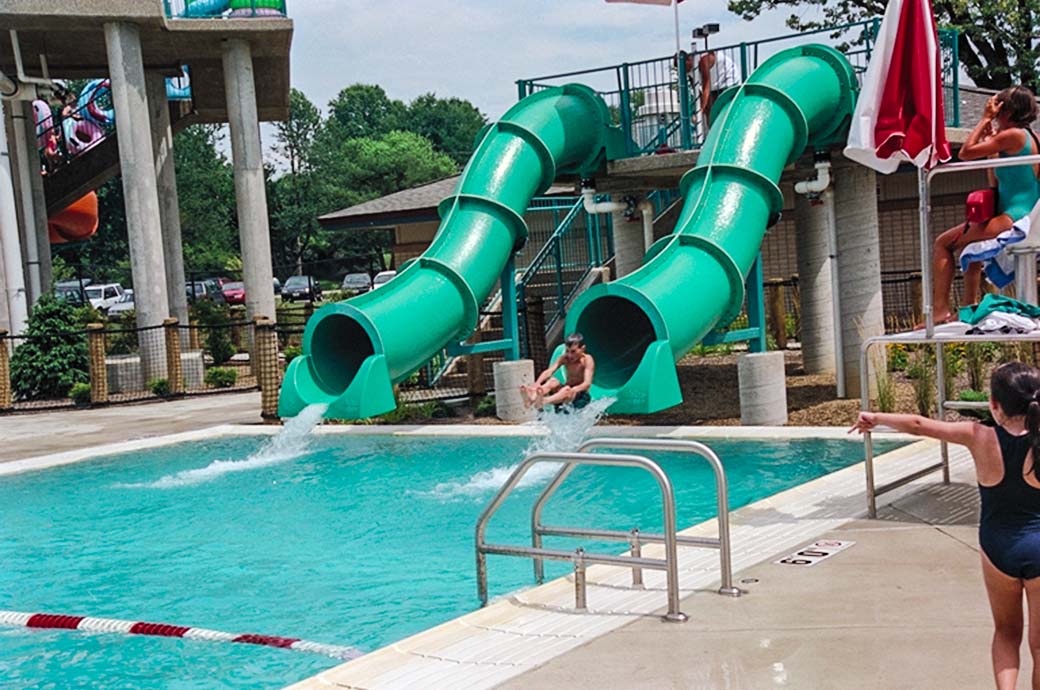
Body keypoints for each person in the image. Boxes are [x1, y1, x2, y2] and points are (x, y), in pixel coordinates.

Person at [850, 361, 1040, 690]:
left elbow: (919, 424)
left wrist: (876, 417)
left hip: (997, 548)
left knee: (1006, 633)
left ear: (994, 404)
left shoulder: (979, 436)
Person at [928, 85, 1040, 326]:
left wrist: (985, 119)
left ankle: (939, 310)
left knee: (943, 243)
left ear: (1007, 112)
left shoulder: (1013, 135)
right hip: (1023, 215)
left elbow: (965, 152)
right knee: (972, 250)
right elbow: (995, 182)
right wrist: (991, 141)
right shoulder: (1031, 138)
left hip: (1012, 217)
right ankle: (968, 308)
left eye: (998, 111)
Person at [520, 333, 595, 411]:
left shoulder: (587, 360)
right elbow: (549, 372)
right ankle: (533, 398)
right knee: (553, 381)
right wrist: (537, 384)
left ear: (582, 349)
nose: (569, 355)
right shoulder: (565, 358)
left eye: (573, 351)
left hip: (581, 395)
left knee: (566, 389)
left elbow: (587, 384)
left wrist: (572, 390)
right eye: (567, 351)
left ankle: (544, 401)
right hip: (566, 391)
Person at [688, 49, 738, 131]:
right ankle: (712, 131)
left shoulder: (703, 60)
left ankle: (728, 129)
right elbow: (697, 92)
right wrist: (703, 109)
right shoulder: (688, 72)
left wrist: (700, 110)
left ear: (689, 60)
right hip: (714, 85)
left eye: (683, 67)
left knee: (724, 107)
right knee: (709, 109)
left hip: (728, 79)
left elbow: (706, 85)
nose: (683, 70)